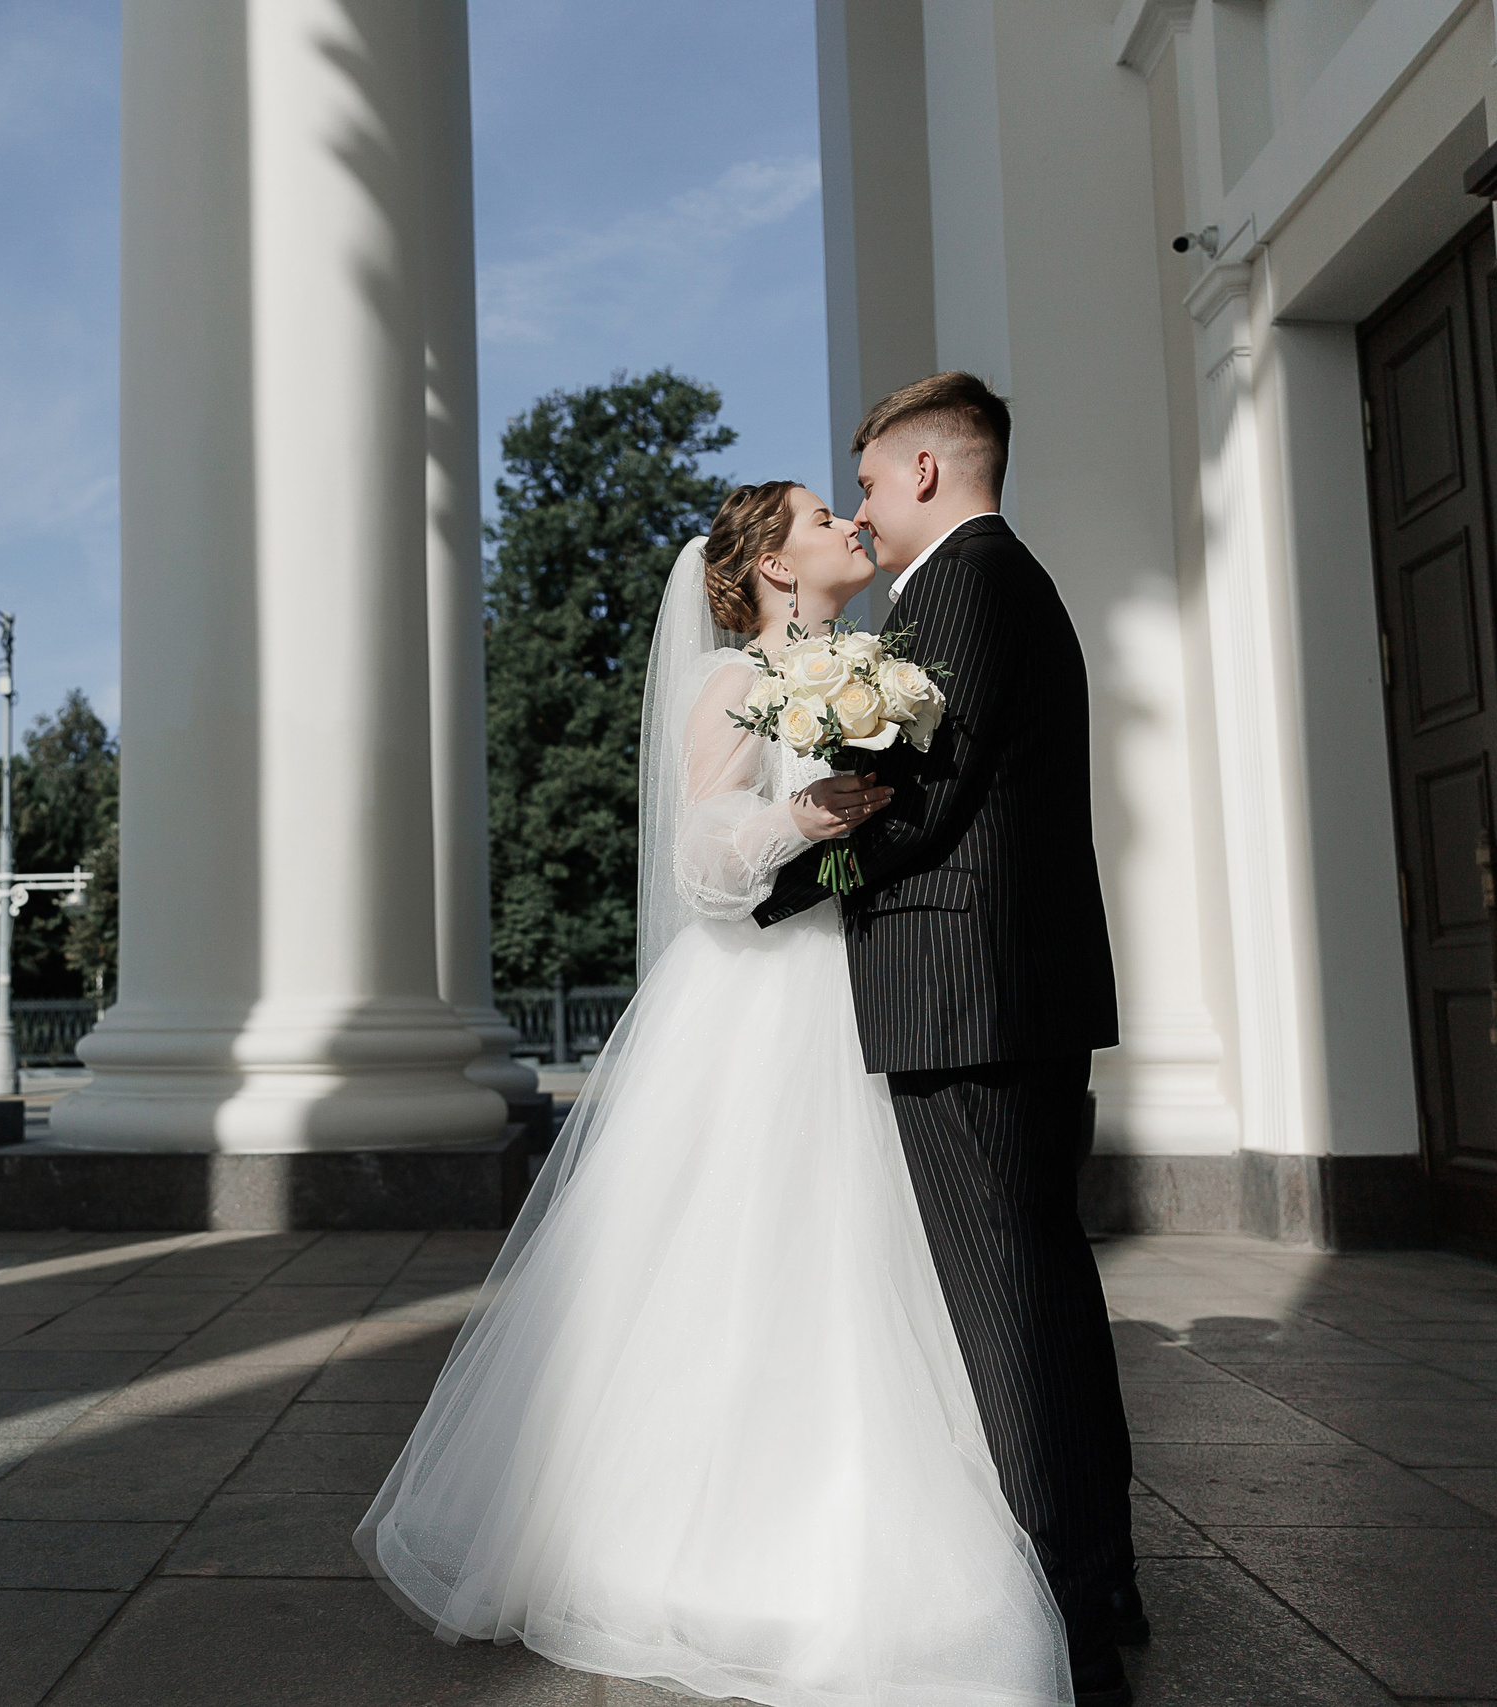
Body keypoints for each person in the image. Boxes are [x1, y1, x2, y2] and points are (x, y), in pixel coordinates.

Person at [358, 476, 1079, 1706]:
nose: (847, 525)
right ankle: (699, 1548)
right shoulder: (732, 681)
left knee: (853, 1260)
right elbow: (702, 860)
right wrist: (805, 814)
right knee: (748, 1253)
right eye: (816, 519)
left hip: (855, 986)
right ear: (771, 571)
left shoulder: (870, 663)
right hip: (758, 1001)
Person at [756, 372, 1135, 1701]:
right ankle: (1103, 1568)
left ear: (924, 469)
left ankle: (1066, 1616)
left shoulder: (968, 581)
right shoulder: (991, 578)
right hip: (1002, 991)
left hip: (966, 996)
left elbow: (917, 812)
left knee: (1005, 1312)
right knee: (1042, 1284)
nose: (860, 504)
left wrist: (788, 883)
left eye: (864, 481)